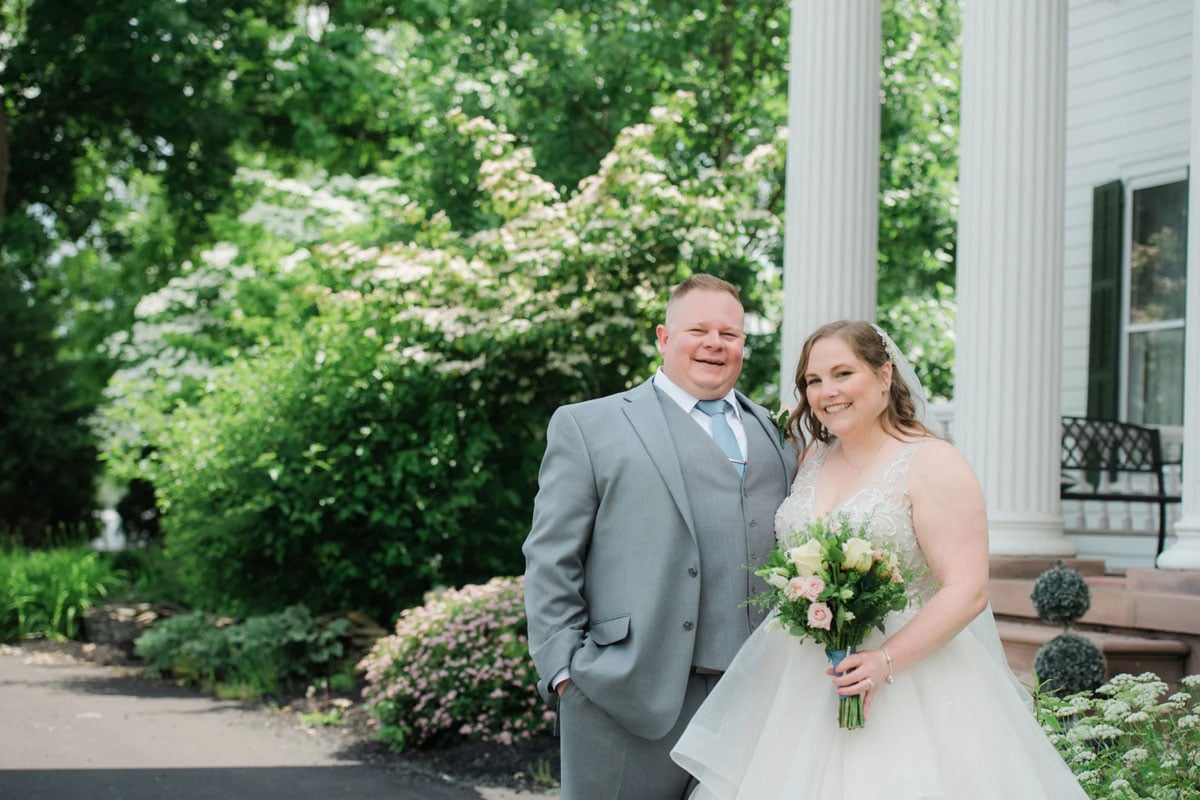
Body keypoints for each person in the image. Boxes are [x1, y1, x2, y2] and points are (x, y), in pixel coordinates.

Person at [670, 320, 1090, 799]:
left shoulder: (932, 462)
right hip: (799, 680)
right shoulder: (810, 458)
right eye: (813, 381)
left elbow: (968, 590)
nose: (827, 392)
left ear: (885, 375)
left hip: (910, 680)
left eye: (843, 373)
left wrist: (883, 661)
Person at [523, 274, 798, 799]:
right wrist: (564, 670)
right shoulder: (589, 425)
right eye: (698, 329)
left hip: (756, 698)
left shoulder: (777, 432)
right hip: (626, 690)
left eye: (730, 334)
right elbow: (551, 556)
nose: (715, 344)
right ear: (663, 337)